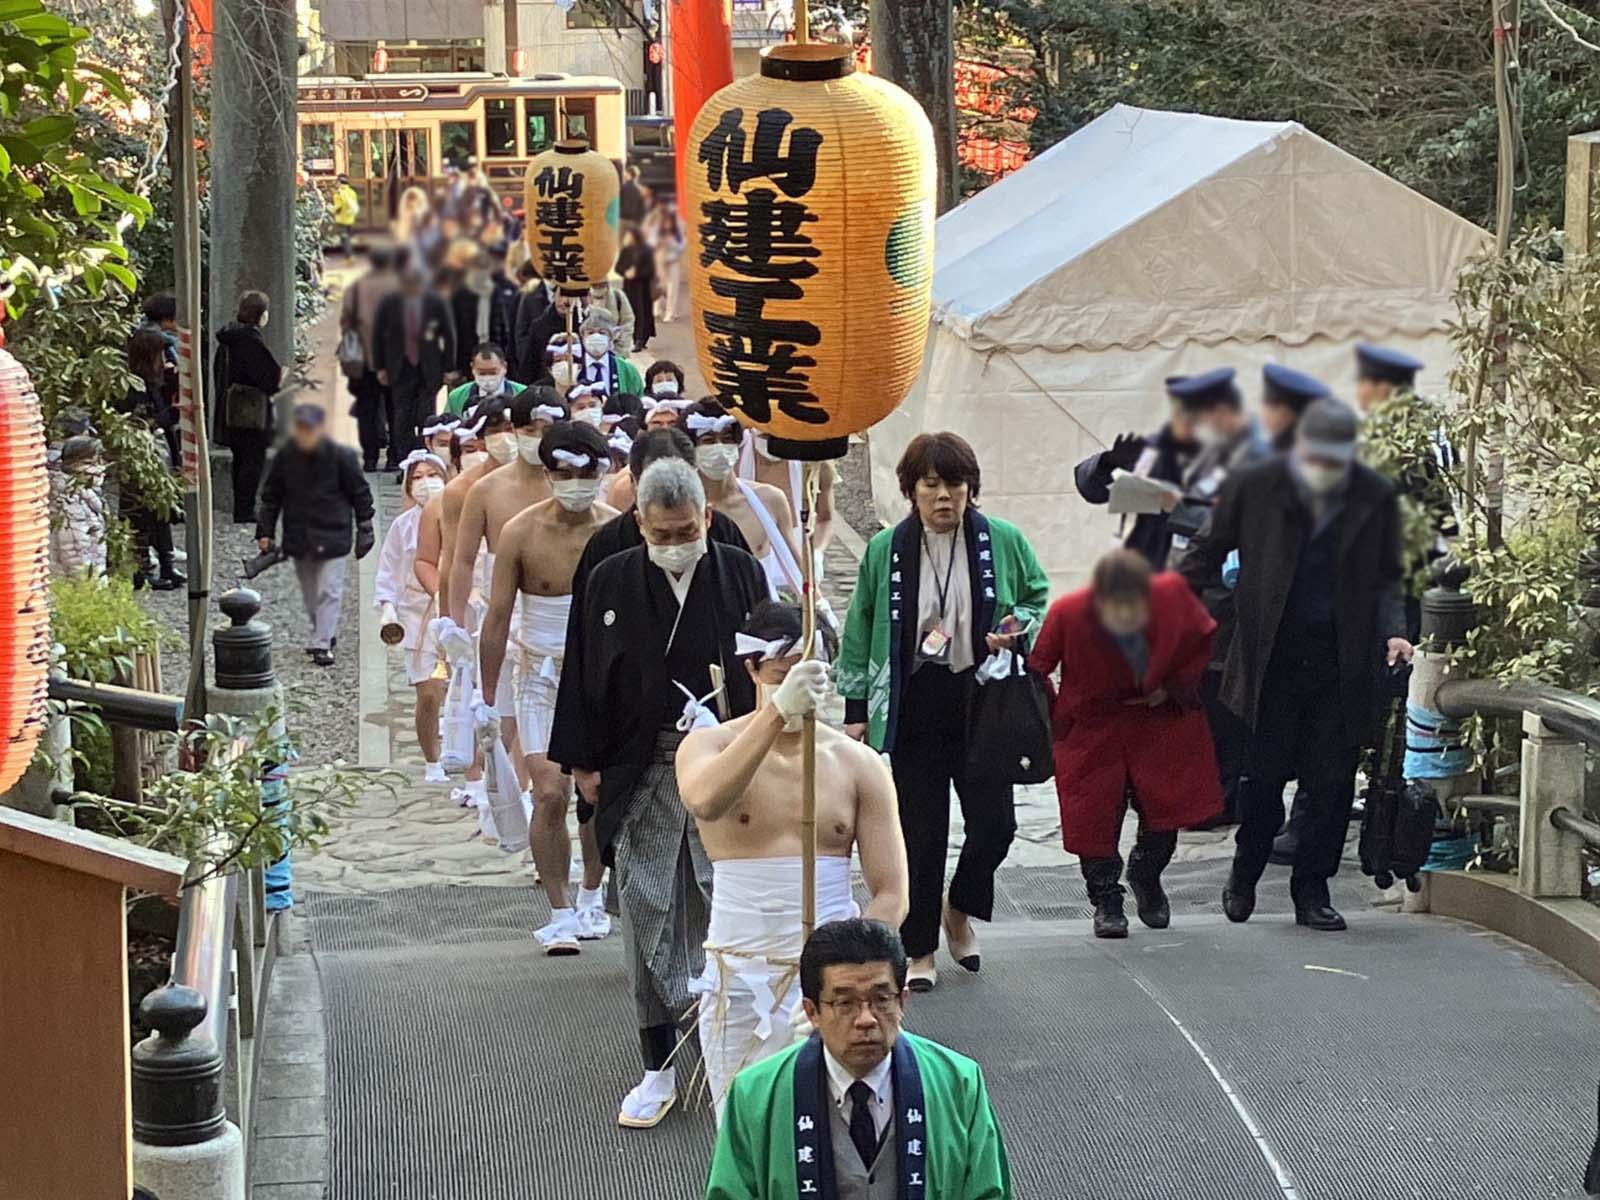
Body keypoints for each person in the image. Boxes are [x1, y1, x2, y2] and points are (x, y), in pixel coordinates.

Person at [548, 456, 768, 1129]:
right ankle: (657, 1065)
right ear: (639, 522)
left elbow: (765, 665)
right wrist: (583, 765)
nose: (675, 542)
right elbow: (584, 670)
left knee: (721, 908)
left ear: (706, 516)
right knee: (647, 911)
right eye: (662, 532)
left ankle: (727, 1055)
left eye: (686, 529)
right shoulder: (611, 577)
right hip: (639, 766)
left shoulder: (738, 570)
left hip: (722, 762)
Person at [1178, 398, 1412, 931]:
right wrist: (1164, 604)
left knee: (1330, 786)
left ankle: (1313, 889)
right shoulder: (1255, 485)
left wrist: (1396, 630)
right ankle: (1245, 872)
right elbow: (1207, 547)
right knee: (1260, 784)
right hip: (1271, 661)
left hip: (1341, 663)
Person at [677, 601, 909, 1121]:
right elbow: (705, 800)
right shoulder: (707, 744)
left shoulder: (858, 764)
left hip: (832, 977)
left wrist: (850, 974)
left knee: (841, 1124)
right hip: (740, 968)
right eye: (783, 677)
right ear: (753, 669)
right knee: (743, 1120)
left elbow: (892, 889)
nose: (798, 689)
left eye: (809, 677)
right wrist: (776, 712)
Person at [837, 432, 1049, 992]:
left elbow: (1037, 596)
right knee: (918, 831)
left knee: (996, 827)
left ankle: (961, 906)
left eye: (954, 484)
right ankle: (921, 946)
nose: (944, 497)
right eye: (931, 484)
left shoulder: (1001, 540)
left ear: (970, 488)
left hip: (981, 700)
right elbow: (859, 624)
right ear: (911, 489)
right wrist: (856, 707)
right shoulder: (886, 549)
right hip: (914, 702)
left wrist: (1017, 626)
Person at [707, 918, 1011, 1200]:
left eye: (881, 999)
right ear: (812, 1012)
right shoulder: (754, 1095)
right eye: (844, 1003)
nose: (866, 1019)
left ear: (903, 1001)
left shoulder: (959, 1083)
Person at [1027, 550, 1221, 937]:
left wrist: (1171, 687)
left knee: (1166, 811)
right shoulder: (1069, 612)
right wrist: (1057, 714)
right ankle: (1105, 899)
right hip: (1092, 727)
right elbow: (1037, 667)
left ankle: (1146, 875)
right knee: (1093, 820)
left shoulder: (1171, 603)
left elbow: (1202, 644)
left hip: (1156, 722)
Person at [478, 420, 616, 952]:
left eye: (586, 473)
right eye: (564, 473)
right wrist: (486, 699)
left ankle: (591, 893)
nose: (575, 483)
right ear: (549, 473)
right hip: (538, 672)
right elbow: (496, 616)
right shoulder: (519, 531)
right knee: (551, 793)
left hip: (600, 676)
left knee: (597, 793)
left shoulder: (616, 530)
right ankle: (558, 909)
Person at [256, 405, 376, 666]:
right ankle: (323, 631)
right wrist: (264, 531)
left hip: (333, 533)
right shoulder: (286, 457)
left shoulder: (341, 456)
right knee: (311, 592)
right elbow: (271, 496)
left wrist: (365, 525)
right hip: (300, 534)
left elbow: (360, 492)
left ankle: (322, 641)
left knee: (329, 590)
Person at [375, 451, 451, 782]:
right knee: (429, 692)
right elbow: (388, 571)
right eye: (417, 477)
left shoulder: (462, 517)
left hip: (459, 609)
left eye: (431, 474)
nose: (425, 483)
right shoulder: (401, 527)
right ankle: (432, 760)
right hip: (417, 614)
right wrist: (387, 608)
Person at [1072, 379, 1200, 568]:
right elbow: (1092, 490)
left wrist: (1176, 505)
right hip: (1148, 577)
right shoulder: (1151, 458)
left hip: (1202, 581)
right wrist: (1107, 462)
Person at [685, 400, 803, 599]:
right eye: (708, 440)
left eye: (727, 438)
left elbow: (796, 567)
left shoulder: (770, 500)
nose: (719, 447)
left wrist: (818, 606)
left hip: (761, 613)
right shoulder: (683, 509)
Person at [118, 327, 183, 591]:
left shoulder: (153, 381)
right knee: (140, 515)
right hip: (141, 456)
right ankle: (141, 569)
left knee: (161, 511)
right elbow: (137, 423)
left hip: (158, 453)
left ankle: (166, 563)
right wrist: (168, 416)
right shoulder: (132, 387)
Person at [214, 290, 284, 525]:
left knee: (239, 459)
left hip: (229, 406)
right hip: (251, 409)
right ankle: (245, 509)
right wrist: (281, 375)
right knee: (252, 460)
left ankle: (240, 507)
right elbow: (268, 377)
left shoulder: (228, 338)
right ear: (261, 315)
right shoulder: (250, 341)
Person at [374, 263, 456, 461]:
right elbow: (377, 335)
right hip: (399, 368)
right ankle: (405, 460)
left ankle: (426, 457)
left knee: (426, 415)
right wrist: (380, 366)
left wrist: (448, 368)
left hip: (429, 368)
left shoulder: (436, 301)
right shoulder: (389, 302)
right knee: (401, 417)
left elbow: (449, 335)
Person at [739, 429, 837, 575]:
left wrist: (816, 553)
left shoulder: (814, 462)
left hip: (800, 567)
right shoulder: (736, 457)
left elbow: (825, 518)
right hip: (749, 567)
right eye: (764, 433)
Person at [341, 244, 400, 472]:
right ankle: (395, 457)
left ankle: (369, 457)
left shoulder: (356, 288)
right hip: (396, 359)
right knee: (396, 409)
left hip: (363, 359)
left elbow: (346, 323)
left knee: (366, 409)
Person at [450, 248, 520, 377]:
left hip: (494, 349)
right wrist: (452, 365)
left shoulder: (497, 291)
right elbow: (454, 330)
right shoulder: (460, 294)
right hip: (467, 352)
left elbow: (504, 326)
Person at [50, 435, 107, 580]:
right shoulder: (72, 500)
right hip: (80, 586)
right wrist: (90, 587)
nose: (101, 467)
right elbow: (74, 550)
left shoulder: (81, 493)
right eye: (92, 462)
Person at [1259, 362, 1330, 453]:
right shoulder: (1319, 450)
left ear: (1282, 413)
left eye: (1264, 404)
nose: (1261, 411)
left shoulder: (1273, 456)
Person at [574, 307, 644, 399]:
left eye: (602, 333)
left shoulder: (627, 370)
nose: (596, 337)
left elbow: (638, 401)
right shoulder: (573, 370)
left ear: (611, 337)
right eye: (590, 333)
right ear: (582, 337)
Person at [445, 341, 526, 416]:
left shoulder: (523, 394)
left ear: (504, 367)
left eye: (493, 372)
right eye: (482, 373)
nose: (487, 378)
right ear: (472, 368)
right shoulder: (456, 397)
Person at [643, 199, 686, 322]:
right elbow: (650, 241)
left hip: (673, 261)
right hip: (659, 259)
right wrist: (658, 243)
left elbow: (682, 244)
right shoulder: (656, 225)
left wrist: (670, 243)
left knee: (672, 287)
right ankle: (656, 308)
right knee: (658, 284)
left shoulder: (677, 229)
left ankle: (671, 312)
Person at [618, 227, 657, 352]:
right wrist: (626, 272)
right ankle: (636, 338)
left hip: (642, 288)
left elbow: (650, 270)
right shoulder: (626, 251)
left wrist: (636, 273)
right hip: (629, 287)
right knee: (631, 311)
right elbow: (618, 267)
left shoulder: (646, 251)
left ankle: (640, 339)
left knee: (642, 313)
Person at [331, 173, 360, 256]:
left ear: (339, 182)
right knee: (348, 237)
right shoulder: (352, 192)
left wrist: (331, 209)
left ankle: (349, 256)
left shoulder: (338, 194)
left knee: (345, 239)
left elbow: (338, 207)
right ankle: (350, 254)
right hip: (350, 219)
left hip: (341, 220)